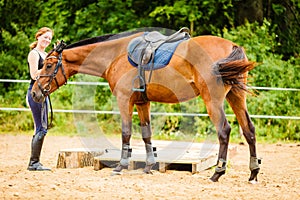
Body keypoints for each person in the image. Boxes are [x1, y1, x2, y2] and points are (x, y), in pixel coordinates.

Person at [26, 27, 53, 171]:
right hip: (35, 93)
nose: (47, 40)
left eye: (49, 38)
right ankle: (33, 163)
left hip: (43, 94)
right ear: (38, 37)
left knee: (42, 128)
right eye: (45, 37)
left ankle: (34, 162)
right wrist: (48, 70)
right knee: (41, 128)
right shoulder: (34, 54)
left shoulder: (46, 54)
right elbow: (34, 75)